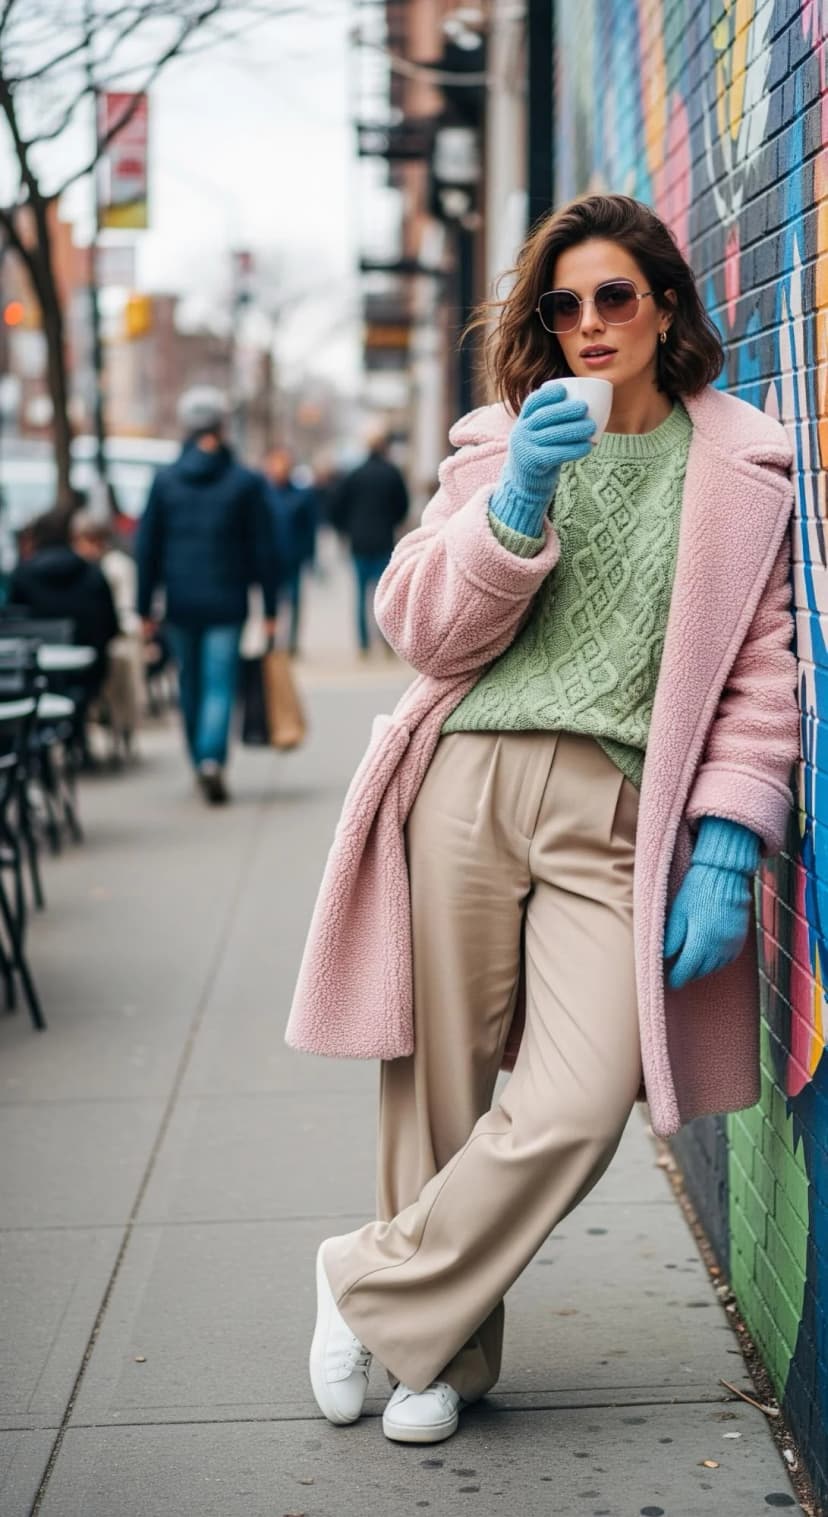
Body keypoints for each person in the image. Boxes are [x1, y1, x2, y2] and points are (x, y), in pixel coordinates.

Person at [287, 194, 799, 1444]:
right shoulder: (496, 439)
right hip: (465, 780)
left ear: (664, 305)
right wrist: (516, 496)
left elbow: (763, 671)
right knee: (441, 1089)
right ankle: (439, 1360)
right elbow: (423, 629)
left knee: (582, 1096)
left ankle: (365, 1278)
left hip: (621, 809)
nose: (588, 322)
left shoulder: (742, 462)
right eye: (563, 303)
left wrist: (729, 841)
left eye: (614, 295)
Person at [136, 387, 278, 805]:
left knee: (189, 683)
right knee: (220, 683)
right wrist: (270, 608)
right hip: (227, 602)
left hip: (179, 602)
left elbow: (148, 549)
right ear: (221, 426)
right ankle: (212, 759)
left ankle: (199, 756)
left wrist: (144, 607)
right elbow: (264, 549)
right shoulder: (245, 483)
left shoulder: (165, 482)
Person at [9, 507, 119, 702]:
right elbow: (111, 628)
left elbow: (13, 627)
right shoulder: (93, 575)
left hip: (31, 677)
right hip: (87, 676)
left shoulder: (22, 576)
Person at [71, 511, 144, 757]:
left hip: (115, 637)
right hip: (89, 641)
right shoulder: (77, 568)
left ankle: (123, 724)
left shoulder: (117, 566)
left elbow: (125, 608)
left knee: (120, 662)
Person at [330, 430, 409, 652]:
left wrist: (346, 528)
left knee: (360, 594)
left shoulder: (354, 475)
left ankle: (363, 642)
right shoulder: (392, 473)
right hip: (384, 540)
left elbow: (335, 506)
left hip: (359, 542)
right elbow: (402, 506)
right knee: (384, 594)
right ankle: (385, 640)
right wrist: (392, 522)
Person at [263, 449, 316, 656]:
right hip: (269, 559)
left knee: (294, 601)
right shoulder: (263, 494)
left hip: (293, 557)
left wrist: (310, 556)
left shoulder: (301, 495)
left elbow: (309, 529)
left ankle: (292, 642)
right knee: (272, 602)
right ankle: (271, 640)